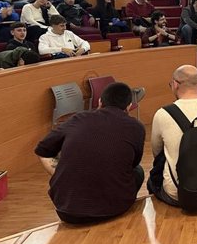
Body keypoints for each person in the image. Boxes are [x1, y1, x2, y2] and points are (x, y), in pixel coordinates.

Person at [35, 82, 145, 224]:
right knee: (138, 171)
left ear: (100, 101)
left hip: (66, 211)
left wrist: (58, 173)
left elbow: (42, 150)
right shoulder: (136, 127)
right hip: (114, 209)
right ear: (129, 106)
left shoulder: (77, 119)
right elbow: (133, 164)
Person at [148, 65, 197, 206]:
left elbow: (157, 152)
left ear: (175, 84)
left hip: (178, 193)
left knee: (153, 178)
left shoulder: (163, 113)